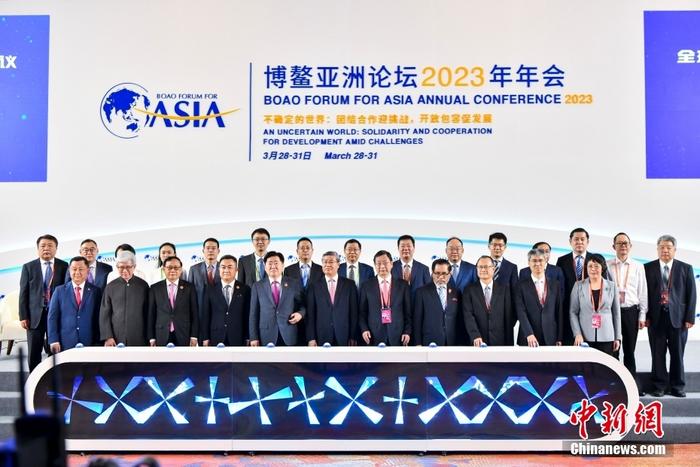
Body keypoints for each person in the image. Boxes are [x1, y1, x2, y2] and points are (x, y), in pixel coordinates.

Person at [644, 235, 696, 398]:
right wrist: (645, 316)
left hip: (678, 319)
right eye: (662, 247)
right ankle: (659, 386)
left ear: (675, 250)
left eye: (668, 247)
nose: (665, 250)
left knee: (677, 354)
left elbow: (691, 294)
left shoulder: (686, 268)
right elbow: (644, 294)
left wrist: (689, 318)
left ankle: (677, 386)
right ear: (657, 249)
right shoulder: (648, 268)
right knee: (657, 354)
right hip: (656, 318)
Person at [19, 234, 69, 371]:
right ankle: (34, 377)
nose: (46, 248)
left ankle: (54, 375)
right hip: (34, 316)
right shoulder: (28, 267)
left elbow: (66, 291)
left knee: (55, 348)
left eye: (50, 245)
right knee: (34, 350)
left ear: (56, 248)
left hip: (56, 314)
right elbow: (23, 293)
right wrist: (23, 316)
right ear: (38, 248)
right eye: (43, 246)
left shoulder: (64, 266)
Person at [607, 233, 648, 394]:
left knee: (630, 351)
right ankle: (614, 384)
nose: (623, 246)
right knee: (613, 349)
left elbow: (643, 292)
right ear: (614, 247)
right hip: (612, 312)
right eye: (619, 243)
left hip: (631, 311)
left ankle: (632, 386)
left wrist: (642, 315)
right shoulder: (607, 265)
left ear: (630, 246)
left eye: (626, 243)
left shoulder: (638, 266)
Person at [249, 251, 306, 346]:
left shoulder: (293, 283)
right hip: (266, 335)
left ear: (282, 266)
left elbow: (303, 305)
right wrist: (253, 337)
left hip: (289, 332)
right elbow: (253, 314)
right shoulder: (257, 286)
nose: (273, 266)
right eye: (270, 263)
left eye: (276, 263)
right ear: (265, 266)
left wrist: (300, 314)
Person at [570, 254, 621, 356]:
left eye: (596, 266)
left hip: (607, 336)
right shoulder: (578, 285)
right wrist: (577, 334)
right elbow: (573, 312)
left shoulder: (612, 286)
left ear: (603, 268)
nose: (593, 269)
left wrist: (617, 337)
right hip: (584, 337)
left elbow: (616, 314)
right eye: (590, 266)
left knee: (605, 365)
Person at [48, 256, 102, 352]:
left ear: (87, 271)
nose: (77, 272)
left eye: (81, 269)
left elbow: (99, 317)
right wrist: (53, 340)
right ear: (69, 270)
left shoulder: (96, 291)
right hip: (65, 342)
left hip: (90, 342)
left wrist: (99, 340)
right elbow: (52, 317)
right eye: (74, 269)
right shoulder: (59, 291)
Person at [305, 251, 358, 346]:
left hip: (344, 335)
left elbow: (353, 313)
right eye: (325, 262)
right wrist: (311, 338)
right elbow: (310, 314)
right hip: (321, 335)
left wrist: (353, 336)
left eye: (331, 262)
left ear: (338, 264)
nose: (327, 265)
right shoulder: (314, 286)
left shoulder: (349, 285)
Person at [359, 250, 411, 346]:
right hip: (373, 335)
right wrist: (364, 329)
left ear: (391, 264)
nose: (382, 266)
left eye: (385, 263)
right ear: (375, 265)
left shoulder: (403, 285)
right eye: (378, 263)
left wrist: (407, 331)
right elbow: (362, 312)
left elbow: (408, 312)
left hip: (398, 335)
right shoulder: (366, 286)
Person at [99, 250, 150, 346]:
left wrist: (150, 337)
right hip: (116, 337)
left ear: (134, 266)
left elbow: (148, 313)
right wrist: (108, 337)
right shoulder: (110, 286)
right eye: (121, 267)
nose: (125, 270)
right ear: (117, 267)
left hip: (139, 336)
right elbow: (104, 314)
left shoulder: (143, 285)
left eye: (128, 267)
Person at [514, 249, 563, 347]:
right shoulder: (520, 285)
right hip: (528, 337)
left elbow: (559, 312)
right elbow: (520, 312)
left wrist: (559, 337)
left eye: (540, 260)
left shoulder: (555, 285)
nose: (537, 264)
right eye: (534, 261)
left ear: (545, 262)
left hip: (551, 336)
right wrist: (529, 334)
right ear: (529, 262)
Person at [463, 255, 514, 346]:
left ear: (493, 269)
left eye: (486, 267)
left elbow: (508, 317)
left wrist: (509, 343)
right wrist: (475, 335)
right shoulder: (469, 290)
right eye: (480, 267)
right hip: (477, 341)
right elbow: (468, 315)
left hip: (500, 341)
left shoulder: (504, 289)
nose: (483, 269)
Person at [147, 256, 198, 347]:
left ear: (181, 270)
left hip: (183, 333)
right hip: (161, 333)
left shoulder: (189, 288)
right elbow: (151, 314)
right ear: (164, 269)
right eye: (169, 267)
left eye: (176, 268)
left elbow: (194, 313)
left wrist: (194, 336)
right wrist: (152, 337)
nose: (173, 270)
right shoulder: (155, 288)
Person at [201, 255, 250, 347]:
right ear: (219, 269)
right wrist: (205, 337)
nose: (226, 270)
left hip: (238, 336)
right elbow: (206, 315)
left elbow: (247, 315)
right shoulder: (210, 289)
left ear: (236, 270)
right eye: (223, 267)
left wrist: (248, 337)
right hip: (216, 336)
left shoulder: (245, 289)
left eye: (230, 267)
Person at [413, 258, 462, 346]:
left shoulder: (456, 292)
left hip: (452, 342)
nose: (440, 277)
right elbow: (417, 320)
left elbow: (459, 319)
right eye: (437, 273)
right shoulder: (421, 292)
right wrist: (418, 343)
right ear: (432, 274)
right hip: (430, 342)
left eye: (444, 273)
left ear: (450, 274)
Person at [556, 228, 592, 345]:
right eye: (576, 239)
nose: (579, 242)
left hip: (590, 309)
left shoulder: (595, 260)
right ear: (570, 241)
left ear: (587, 241)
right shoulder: (562, 261)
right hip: (568, 309)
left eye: (582, 239)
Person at [188, 238, 221, 320]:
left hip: (220, 311)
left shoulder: (224, 268)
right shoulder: (194, 269)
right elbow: (189, 293)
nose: (210, 250)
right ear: (203, 250)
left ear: (218, 251)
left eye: (213, 248)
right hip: (200, 312)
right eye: (208, 248)